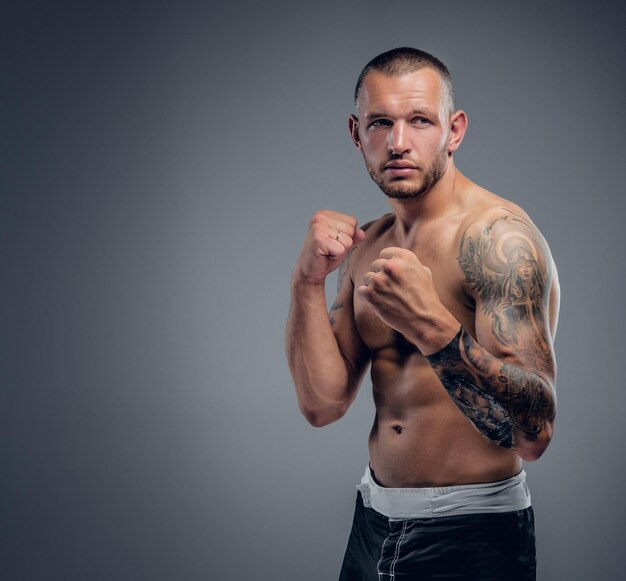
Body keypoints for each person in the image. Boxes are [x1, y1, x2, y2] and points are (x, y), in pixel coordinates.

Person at [285, 47, 559, 580]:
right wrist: (306, 281)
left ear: (454, 130)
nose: (399, 142)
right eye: (381, 123)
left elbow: (535, 432)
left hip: (473, 536)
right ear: (355, 132)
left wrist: (431, 327)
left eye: (420, 121)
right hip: (372, 523)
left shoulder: (498, 239)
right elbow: (322, 404)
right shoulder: (368, 246)